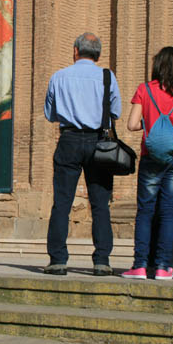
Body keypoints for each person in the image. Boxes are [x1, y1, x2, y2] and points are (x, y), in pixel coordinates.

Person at [43, 32, 122, 276]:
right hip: (99, 142)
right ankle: (101, 261)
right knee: (100, 204)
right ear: (97, 54)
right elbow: (116, 112)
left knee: (62, 203)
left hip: (69, 140)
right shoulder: (107, 77)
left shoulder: (59, 76)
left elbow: (50, 114)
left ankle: (58, 260)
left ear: (76, 50)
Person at [122, 46, 173, 280]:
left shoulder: (144, 89)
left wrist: (152, 126)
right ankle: (164, 267)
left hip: (152, 156)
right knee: (168, 212)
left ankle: (140, 266)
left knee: (145, 211)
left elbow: (132, 124)